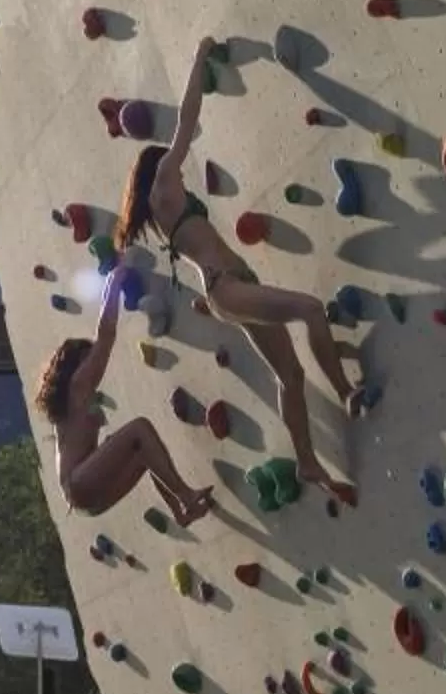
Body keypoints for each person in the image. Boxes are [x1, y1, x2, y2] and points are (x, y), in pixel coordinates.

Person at [121, 34, 364, 503]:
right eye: (173, 167)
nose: (182, 172)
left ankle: (308, 463)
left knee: (289, 375)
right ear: (159, 169)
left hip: (231, 287)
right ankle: (346, 392)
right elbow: (187, 121)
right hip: (226, 287)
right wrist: (198, 56)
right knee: (311, 310)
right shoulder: (164, 187)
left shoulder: (165, 206)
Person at [37, 267, 215, 526]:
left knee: (144, 454)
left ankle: (181, 513)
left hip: (86, 498)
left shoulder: (72, 400)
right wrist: (114, 281)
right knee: (139, 429)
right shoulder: (77, 385)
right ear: (77, 364)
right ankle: (186, 496)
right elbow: (105, 336)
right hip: (78, 484)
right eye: (89, 359)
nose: (96, 366)